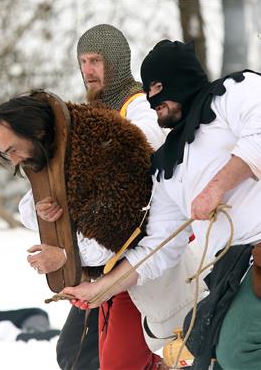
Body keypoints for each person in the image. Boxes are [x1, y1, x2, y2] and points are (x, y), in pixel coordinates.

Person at [62, 39, 261, 369]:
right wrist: (101, 287)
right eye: (147, 90)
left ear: (182, 77)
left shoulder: (239, 90)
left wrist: (216, 188)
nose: (152, 99)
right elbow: (158, 246)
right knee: (209, 356)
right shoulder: (168, 166)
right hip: (233, 272)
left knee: (241, 346)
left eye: (158, 86)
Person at [0, 91, 182, 370]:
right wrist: (44, 210)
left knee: (117, 364)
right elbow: (28, 209)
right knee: (80, 354)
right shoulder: (52, 151)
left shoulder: (105, 145)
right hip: (112, 278)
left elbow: (114, 237)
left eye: (13, 150)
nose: (15, 161)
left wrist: (65, 256)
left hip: (145, 271)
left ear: (36, 131)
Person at [16, 24, 166, 370]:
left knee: (108, 358)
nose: (88, 70)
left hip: (137, 255)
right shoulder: (87, 119)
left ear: (116, 61)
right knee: (75, 352)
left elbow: (146, 142)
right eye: (83, 61)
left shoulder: (139, 107)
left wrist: (90, 152)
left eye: (96, 60)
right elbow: (29, 209)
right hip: (99, 263)